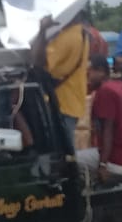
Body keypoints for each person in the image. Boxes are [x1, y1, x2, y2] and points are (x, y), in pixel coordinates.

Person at [79, 55, 122, 182]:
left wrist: (103, 165)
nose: (86, 77)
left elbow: (108, 131)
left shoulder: (105, 91)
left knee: (71, 160)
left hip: (119, 161)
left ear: (100, 71)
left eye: (89, 72)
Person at [31, 13, 88, 146]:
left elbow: (37, 62)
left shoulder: (68, 37)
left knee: (57, 154)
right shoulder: (80, 33)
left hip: (61, 106)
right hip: (69, 104)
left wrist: (42, 31)